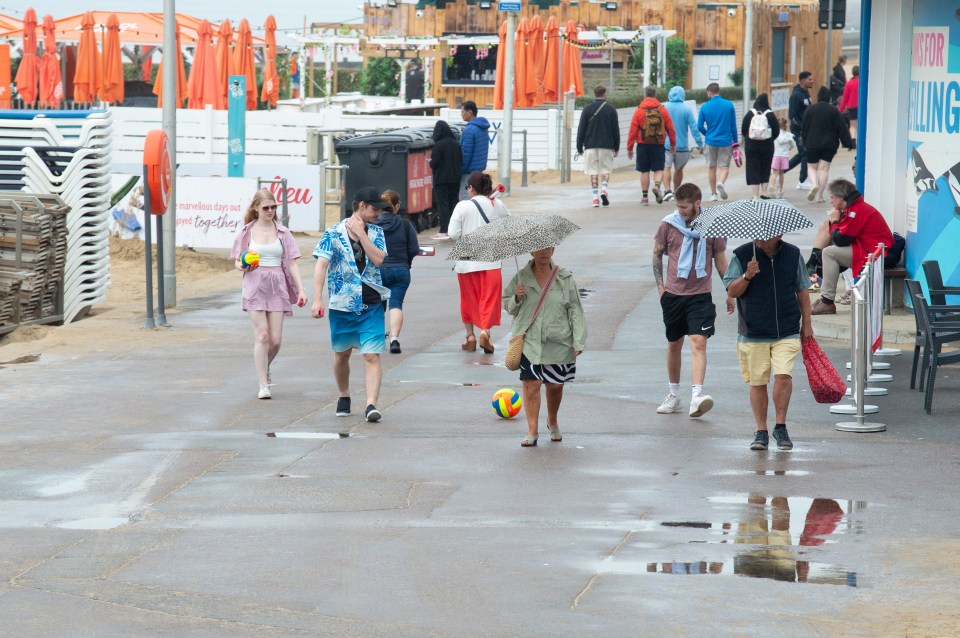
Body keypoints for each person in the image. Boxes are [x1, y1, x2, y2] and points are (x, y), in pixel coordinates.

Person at [723, 234, 813, 450]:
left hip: (787, 328)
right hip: (753, 330)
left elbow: (802, 290)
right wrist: (747, 276)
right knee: (758, 381)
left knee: (783, 376)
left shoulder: (792, 254)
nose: (759, 240)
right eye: (756, 236)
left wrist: (807, 323)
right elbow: (731, 290)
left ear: (778, 234)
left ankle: (780, 427)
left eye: (764, 237)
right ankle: (761, 430)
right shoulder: (742, 254)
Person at [311, 186, 391, 422]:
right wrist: (317, 298)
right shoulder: (332, 234)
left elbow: (378, 259)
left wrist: (363, 234)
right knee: (341, 354)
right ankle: (344, 394)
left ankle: (371, 405)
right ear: (361, 206)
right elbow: (321, 267)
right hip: (342, 304)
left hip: (372, 303)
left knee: (371, 356)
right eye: (375, 209)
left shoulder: (376, 232)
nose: (378, 213)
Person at [652, 183, 728, 418]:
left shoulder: (712, 224)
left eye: (684, 207)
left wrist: (730, 290)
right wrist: (661, 287)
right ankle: (674, 394)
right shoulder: (668, 223)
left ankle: (697, 396)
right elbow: (657, 252)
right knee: (674, 343)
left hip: (700, 294)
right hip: (673, 294)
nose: (680, 210)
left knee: (698, 341)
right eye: (678, 206)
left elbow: (719, 257)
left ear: (697, 203)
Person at [503, 245, 587, 447]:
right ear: (531, 252)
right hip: (529, 342)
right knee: (531, 385)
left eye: (547, 247)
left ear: (553, 249)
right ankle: (532, 430)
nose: (543, 251)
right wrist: (516, 297)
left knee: (556, 385)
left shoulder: (564, 278)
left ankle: (552, 420)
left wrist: (579, 339)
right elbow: (508, 306)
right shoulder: (520, 278)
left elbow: (576, 309)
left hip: (558, 341)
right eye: (538, 248)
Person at [231, 189, 308, 400]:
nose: (270, 211)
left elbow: (292, 262)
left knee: (275, 341)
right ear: (255, 208)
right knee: (262, 335)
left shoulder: (283, 233)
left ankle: (264, 367)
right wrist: (242, 267)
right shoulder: (246, 232)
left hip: (278, 285)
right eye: (266, 207)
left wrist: (301, 288)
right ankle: (263, 384)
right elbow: (237, 260)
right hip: (255, 283)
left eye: (273, 207)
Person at [808, 179, 894, 315]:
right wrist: (833, 222)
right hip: (869, 249)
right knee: (827, 229)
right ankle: (816, 267)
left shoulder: (857, 210)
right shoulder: (854, 208)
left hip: (877, 254)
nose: (830, 201)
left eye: (832, 197)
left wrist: (835, 221)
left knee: (829, 253)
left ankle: (827, 301)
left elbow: (841, 240)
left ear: (841, 197)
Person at [448, 171, 510, 353]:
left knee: (468, 300)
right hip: (491, 262)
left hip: (466, 263)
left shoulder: (462, 206)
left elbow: (453, 234)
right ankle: (485, 332)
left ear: (471, 188)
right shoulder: (497, 204)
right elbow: (509, 227)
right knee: (488, 300)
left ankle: (470, 336)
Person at [374, 190, 419, 354]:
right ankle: (394, 339)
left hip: (377, 271)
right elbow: (414, 248)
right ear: (397, 205)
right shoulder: (406, 224)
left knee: (377, 307)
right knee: (396, 304)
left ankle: (377, 340)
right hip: (400, 270)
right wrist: (406, 262)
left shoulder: (372, 225)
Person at [801, 87, 855, 203]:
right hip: (829, 145)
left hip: (812, 143)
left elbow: (804, 128)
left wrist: (804, 143)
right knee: (823, 169)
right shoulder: (833, 110)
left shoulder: (810, 110)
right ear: (829, 97)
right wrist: (848, 143)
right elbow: (842, 128)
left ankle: (814, 185)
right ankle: (819, 195)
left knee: (811, 167)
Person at [627, 85, 676, 205]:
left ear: (645, 95)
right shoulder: (662, 109)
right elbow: (670, 128)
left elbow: (632, 131)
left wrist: (630, 148)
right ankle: (658, 186)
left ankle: (644, 198)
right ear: (655, 95)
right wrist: (673, 144)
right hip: (658, 144)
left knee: (644, 171)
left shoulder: (639, 110)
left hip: (643, 144)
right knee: (659, 169)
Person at [576, 84, 620, 208]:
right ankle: (604, 189)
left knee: (593, 171)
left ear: (594, 94)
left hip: (590, 145)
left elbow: (581, 129)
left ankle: (595, 198)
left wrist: (579, 147)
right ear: (604, 93)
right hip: (606, 145)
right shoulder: (611, 109)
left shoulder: (587, 109)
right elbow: (615, 130)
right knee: (605, 169)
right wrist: (616, 147)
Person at [696, 82, 738, 201]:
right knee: (724, 166)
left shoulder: (704, 106)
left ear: (709, 92)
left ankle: (713, 194)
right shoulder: (729, 105)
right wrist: (735, 142)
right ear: (718, 91)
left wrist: (707, 134)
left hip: (711, 141)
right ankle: (721, 182)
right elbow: (733, 126)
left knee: (712, 167)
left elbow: (699, 126)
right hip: (725, 141)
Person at [662, 85, 704, 202]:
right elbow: (694, 128)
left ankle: (667, 190)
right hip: (682, 146)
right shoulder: (686, 109)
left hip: (666, 145)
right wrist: (699, 144)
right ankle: (676, 191)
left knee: (666, 167)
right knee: (679, 169)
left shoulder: (663, 107)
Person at [740, 93, 779, 200]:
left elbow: (744, 130)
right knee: (765, 168)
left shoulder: (750, 113)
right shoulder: (770, 114)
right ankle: (765, 193)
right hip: (767, 146)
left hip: (751, 146)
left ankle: (755, 196)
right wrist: (769, 139)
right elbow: (776, 131)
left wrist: (749, 138)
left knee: (753, 168)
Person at [429, 119, 461, 239]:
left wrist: (430, 163)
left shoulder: (438, 145)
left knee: (443, 205)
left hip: (441, 179)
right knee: (453, 203)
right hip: (455, 178)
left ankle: (444, 230)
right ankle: (454, 229)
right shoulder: (456, 143)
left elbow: (434, 163)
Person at [787, 71, 815, 190]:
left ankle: (779, 171)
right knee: (805, 154)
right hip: (799, 131)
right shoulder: (796, 95)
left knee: (801, 155)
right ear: (803, 80)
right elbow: (792, 116)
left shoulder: (806, 93)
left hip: (807, 129)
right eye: (810, 79)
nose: (812, 81)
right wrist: (800, 128)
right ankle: (802, 181)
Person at [459, 101, 490, 199]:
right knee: (477, 199)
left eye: (463, 111)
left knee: (466, 199)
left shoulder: (469, 130)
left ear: (470, 112)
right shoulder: (483, 128)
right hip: (479, 170)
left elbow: (466, 154)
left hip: (468, 172)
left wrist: (460, 170)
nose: (461, 114)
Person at [769, 117, 795, 199]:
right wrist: (788, 148)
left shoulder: (774, 134)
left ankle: (772, 187)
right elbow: (793, 145)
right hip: (784, 156)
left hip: (776, 155)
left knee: (774, 173)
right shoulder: (788, 135)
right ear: (785, 125)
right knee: (781, 173)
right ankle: (780, 189)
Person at [838, 65, 860, 139]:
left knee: (853, 126)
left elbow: (845, 98)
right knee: (862, 124)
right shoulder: (863, 82)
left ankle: (853, 139)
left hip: (852, 106)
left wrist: (840, 109)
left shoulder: (849, 83)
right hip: (862, 106)